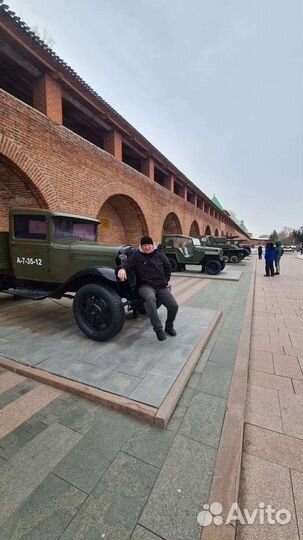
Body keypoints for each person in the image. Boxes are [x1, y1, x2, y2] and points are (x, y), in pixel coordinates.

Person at [118, 236, 178, 341]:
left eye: (149, 245)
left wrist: (166, 280)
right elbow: (127, 265)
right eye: (144, 245)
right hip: (145, 286)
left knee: (173, 306)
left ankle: (169, 327)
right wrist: (122, 269)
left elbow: (167, 267)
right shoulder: (137, 257)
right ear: (141, 246)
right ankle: (158, 329)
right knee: (150, 298)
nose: (147, 247)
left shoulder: (159, 254)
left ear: (152, 245)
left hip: (160, 285)